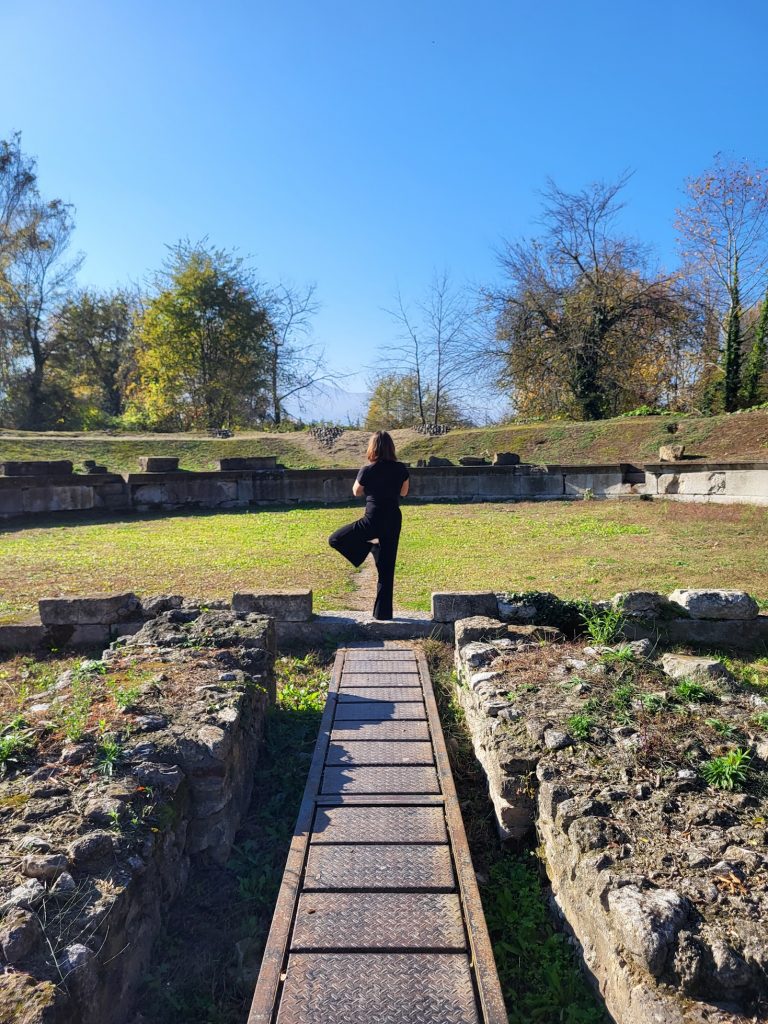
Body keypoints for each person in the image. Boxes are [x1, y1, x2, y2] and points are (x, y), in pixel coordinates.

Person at [328, 430, 410, 620]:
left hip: (372, 519)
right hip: (392, 518)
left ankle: (371, 548)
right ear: (391, 448)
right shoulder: (401, 469)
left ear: (372, 448)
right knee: (387, 569)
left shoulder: (367, 469)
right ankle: (383, 614)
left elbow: (356, 491)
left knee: (336, 539)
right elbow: (404, 492)